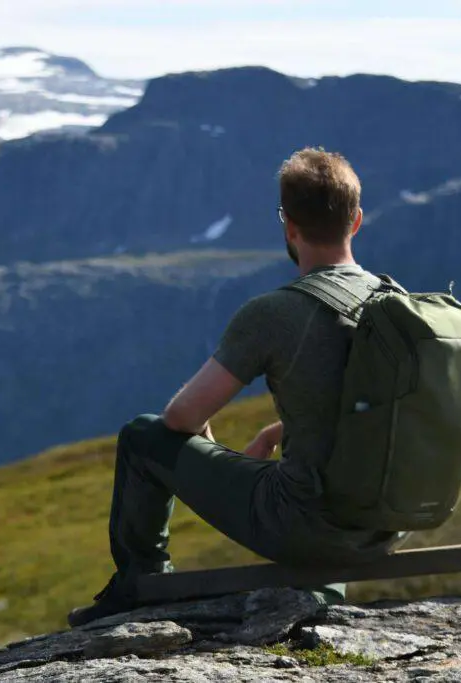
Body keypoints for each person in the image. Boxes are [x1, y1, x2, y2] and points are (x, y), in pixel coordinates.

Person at [68, 147, 410, 628]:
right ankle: (317, 595)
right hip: (390, 524)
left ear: (288, 225)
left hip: (305, 526)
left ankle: (141, 582)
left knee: (143, 437)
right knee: (324, 494)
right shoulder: (395, 304)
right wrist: (283, 432)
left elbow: (179, 420)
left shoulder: (273, 314)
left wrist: (227, 465)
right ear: (355, 221)